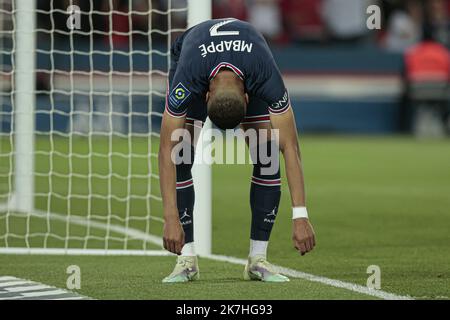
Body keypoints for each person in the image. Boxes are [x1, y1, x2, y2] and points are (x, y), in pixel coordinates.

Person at [158, 18, 316, 283]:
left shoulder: (264, 74)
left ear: (248, 97)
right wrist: (170, 218)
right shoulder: (188, 78)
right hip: (192, 50)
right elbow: (166, 151)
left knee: (267, 155)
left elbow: (289, 146)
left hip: (247, 59)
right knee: (181, 155)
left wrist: (301, 215)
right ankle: (186, 260)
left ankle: (258, 260)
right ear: (204, 96)